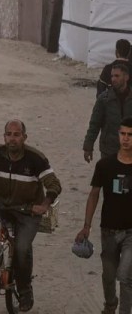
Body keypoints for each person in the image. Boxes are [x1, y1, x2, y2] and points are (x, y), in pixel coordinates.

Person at [0, 120, 61, 312]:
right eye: (9, 134)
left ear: (24, 137)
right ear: (4, 136)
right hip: (2, 202)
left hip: (28, 209)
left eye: (16, 134)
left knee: (22, 248)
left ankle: (25, 290)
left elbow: (54, 184)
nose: (12, 138)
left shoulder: (36, 159)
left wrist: (44, 205)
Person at [76, 116, 132, 314]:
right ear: (118, 135)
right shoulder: (105, 165)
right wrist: (86, 225)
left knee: (125, 276)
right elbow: (94, 194)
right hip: (108, 230)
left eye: (130, 135)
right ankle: (110, 305)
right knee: (108, 276)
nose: (126, 138)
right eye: (123, 134)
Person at [84, 63, 132, 162]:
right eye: (112, 76)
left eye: (117, 76)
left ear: (126, 77)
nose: (113, 79)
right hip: (109, 150)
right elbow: (94, 124)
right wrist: (88, 146)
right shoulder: (104, 99)